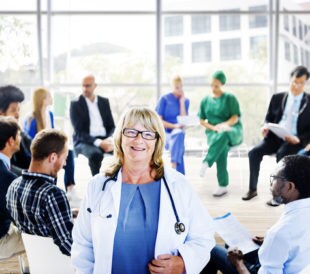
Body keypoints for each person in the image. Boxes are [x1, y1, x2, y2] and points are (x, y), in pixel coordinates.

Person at [71, 107, 215, 274]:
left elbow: (203, 237)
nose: (139, 140)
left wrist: (184, 263)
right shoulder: (97, 186)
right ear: (120, 137)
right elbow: (83, 245)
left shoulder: (179, 185)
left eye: (148, 134)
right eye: (131, 132)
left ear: (157, 141)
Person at [203, 154, 310, 274]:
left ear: (290, 187)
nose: (271, 184)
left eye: (274, 178)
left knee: (211, 250)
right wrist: (269, 243)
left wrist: (239, 264)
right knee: (231, 245)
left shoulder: (279, 233)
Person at [242, 66, 310, 206]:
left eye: (301, 83)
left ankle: (279, 196)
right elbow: (268, 119)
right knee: (253, 153)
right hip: (274, 136)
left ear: (305, 83)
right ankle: (252, 189)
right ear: (290, 80)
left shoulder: (309, 101)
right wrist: (265, 128)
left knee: (282, 156)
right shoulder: (278, 97)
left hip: (294, 141)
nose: (297, 86)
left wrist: (299, 140)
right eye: (294, 82)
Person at [6, 129, 74, 256]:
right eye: (64, 158)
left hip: (36, 262)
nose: (65, 164)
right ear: (53, 157)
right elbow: (68, 245)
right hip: (59, 264)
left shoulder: (13, 186)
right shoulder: (53, 194)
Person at [23, 87, 81, 208]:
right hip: (39, 151)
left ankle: (70, 188)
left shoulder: (50, 114)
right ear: (43, 99)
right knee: (55, 159)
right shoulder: (31, 118)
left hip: (51, 148)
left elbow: (53, 135)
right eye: (49, 96)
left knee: (69, 153)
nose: (51, 98)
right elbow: (31, 143)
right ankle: (52, 190)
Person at [198, 71, 243, 197]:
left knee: (224, 134)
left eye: (216, 86)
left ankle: (207, 161)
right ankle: (222, 186)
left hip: (232, 131)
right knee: (221, 147)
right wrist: (213, 127)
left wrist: (224, 125)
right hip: (214, 133)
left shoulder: (230, 98)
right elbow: (201, 120)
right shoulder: (205, 100)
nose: (213, 88)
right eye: (212, 85)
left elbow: (235, 117)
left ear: (222, 85)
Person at [70, 75, 115, 176]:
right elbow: (79, 132)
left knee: (123, 150)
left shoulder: (104, 101)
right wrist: (99, 143)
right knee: (96, 155)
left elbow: (112, 126)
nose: (84, 89)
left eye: (88, 86)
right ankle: (97, 185)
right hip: (85, 141)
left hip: (106, 138)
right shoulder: (75, 104)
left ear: (95, 86)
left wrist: (110, 140)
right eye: (83, 86)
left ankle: (117, 182)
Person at [0, 116, 25, 259]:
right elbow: (20, 218)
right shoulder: (6, 177)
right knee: (42, 239)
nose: (20, 138)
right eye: (19, 135)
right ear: (10, 141)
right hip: (0, 243)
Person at [156, 75, 189, 174]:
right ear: (172, 87)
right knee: (179, 144)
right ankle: (179, 175)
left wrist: (182, 102)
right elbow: (158, 121)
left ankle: (173, 166)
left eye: (181, 87)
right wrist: (175, 126)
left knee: (179, 134)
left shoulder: (185, 101)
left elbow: (183, 121)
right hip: (165, 134)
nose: (179, 89)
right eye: (177, 87)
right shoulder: (164, 99)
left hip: (178, 134)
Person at [0, 85, 31, 175]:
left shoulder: (19, 133)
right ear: (1, 112)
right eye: (13, 110)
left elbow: (29, 160)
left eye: (18, 109)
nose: (17, 114)